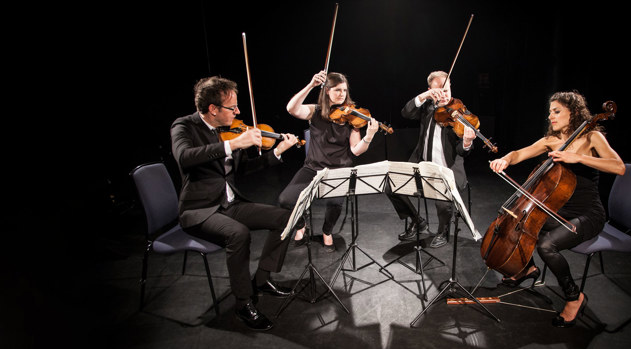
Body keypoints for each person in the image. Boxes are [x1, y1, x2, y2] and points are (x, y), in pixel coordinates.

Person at [170, 76, 299, 331]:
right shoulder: (184, 126)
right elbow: (184, 157)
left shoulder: (232, 128)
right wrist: (232, 144)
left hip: (230, 204)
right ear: (213, 109)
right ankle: (243, 303)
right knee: (238, 235)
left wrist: (276, 152)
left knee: (286, 217)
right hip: (199, 210)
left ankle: (261, 280)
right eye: (233, 108)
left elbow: (243, 169)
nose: (238, 112)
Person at [489, 91, 625, 327]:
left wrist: (580, 159)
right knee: (526, 224)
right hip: (561, 212)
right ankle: (526, 269)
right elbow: (521, 153)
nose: (550, 116)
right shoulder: (551, 140)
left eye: (557, 111)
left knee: (546, 245)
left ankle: (574, 297)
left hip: (588, 215)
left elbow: (619, 167)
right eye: (550, 111)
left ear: (572, 112)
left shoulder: (592, 137)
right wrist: (506, 159)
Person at [278, 70, 379, 252]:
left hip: (339, 170)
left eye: (344, 90)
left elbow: (356, 150)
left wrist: (369, 136)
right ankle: (301, 225)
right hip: (312, 168)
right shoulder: (315, 112)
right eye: (337, 90)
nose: (342, 94)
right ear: (326, 91)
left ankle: (327, 231)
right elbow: (291, 108)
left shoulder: (351, 117)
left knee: (335, 203)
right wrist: (311, 85)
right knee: (285, 199)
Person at [386, 70, 476, 248]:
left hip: (447, 169)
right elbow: (406, 112)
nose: (444, 95)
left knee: (443, 202)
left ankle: (443, 231)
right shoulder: (426, 108)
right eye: (438, 91)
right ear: (430, 91)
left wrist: (466, 142)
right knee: (391, 186)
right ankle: (418, 221)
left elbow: (462, 151)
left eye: (447, 90)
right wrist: (424, 96)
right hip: (422, 165)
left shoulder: (460, 113)